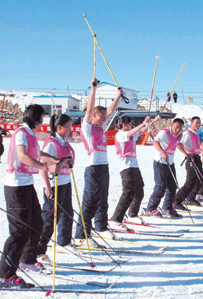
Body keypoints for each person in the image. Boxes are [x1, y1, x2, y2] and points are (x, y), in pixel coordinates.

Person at [0, 104, 62, 287]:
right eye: (43, 116)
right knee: (19, 232)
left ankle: (27, 259)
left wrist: (55, 160)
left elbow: (36, 153)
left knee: (36, 224)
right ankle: (4, 274)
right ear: (37, 117)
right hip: (16, 185)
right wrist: (46, 167)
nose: (44, 120)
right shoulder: (21, 133)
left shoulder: (31, 134)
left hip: (26, 184)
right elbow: (23, 156)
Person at [74, 77, 123, 246]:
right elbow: (88, 110)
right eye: (100, 117)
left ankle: (101, 227)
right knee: (90, 201)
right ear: (94, 116)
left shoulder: (102, 127)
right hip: (93, 167)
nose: (103, 119)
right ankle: (81, 235)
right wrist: (93, 89)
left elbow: (111, 110)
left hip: (104, 166)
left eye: (104, 117)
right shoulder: (87, 127)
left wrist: (118, 95)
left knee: (103, 198)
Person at [36, 114, 77, 261]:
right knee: (49, 219)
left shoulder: (65, 142)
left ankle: (64, 241)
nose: (70, 130)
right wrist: (47, 187)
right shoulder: (51, 143)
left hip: (65, 182)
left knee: (67, 214)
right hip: (54, 184)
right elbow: (42, 164)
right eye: (67, 127)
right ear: (58, 127)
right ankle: (38, 250)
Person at [110, 115, 160, 228]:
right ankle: (115, 219)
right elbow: (131, 133)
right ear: (123, 125)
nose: (131, 126)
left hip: (134, 166)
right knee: (128, 193)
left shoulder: (131, 133)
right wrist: (143, 122)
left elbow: (141, 131)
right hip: (126, 167)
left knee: (139, 191)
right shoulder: (120, 134)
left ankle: (132, 214)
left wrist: (152, 121)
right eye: (129, 124)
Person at [145, 118, 187, 218]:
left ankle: (167, 208)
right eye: (176, 127)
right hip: (160, 162)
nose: (178, 130)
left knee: (172, 186)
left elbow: (178, 144)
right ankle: (150, 209)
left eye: (180, 128)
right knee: (161, 187)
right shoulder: (164, 132)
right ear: (172, 125)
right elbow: (155, 142)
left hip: (170, 162)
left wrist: (186, 153)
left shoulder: (179, 135)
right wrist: (163, 152)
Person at [174, 116, 203, 210]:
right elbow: (179, 144)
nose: (198, 125)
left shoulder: (196, 134)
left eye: (199, 123)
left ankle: (191, 197)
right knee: (190, 181)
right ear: (191, 123)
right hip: (191, 158)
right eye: (196, 123)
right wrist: (187, 153)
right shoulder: (187, 133)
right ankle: (176, 200)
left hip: (197, 158)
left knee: (199, 179)